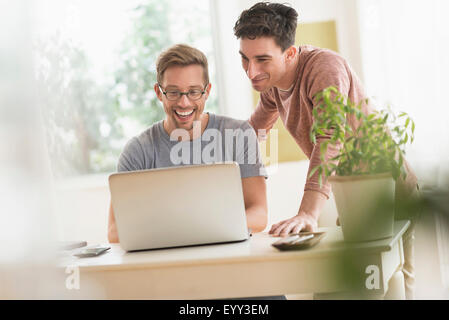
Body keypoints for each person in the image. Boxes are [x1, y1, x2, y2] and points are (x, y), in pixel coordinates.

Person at [234, 2, 419, 299]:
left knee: (382, 286)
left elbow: (330, 136)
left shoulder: (324, 68)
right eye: (244, 59)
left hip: (388, 192)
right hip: (353, 198)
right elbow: (250, 133)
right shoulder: (271, 85)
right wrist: (206, 160)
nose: (251, 71)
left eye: (262, 60)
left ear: (290, 53)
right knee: (343, 289)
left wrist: (308, 212)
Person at [107, 44, 268, 243]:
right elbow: (115, 232)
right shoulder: (138, 151)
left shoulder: (240, 135)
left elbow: (259, 214)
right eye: (173, 92)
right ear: (159, 92)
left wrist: (195, 228)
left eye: (193, 92)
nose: (184, 103)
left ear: (207, 91)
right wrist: (186, 230)